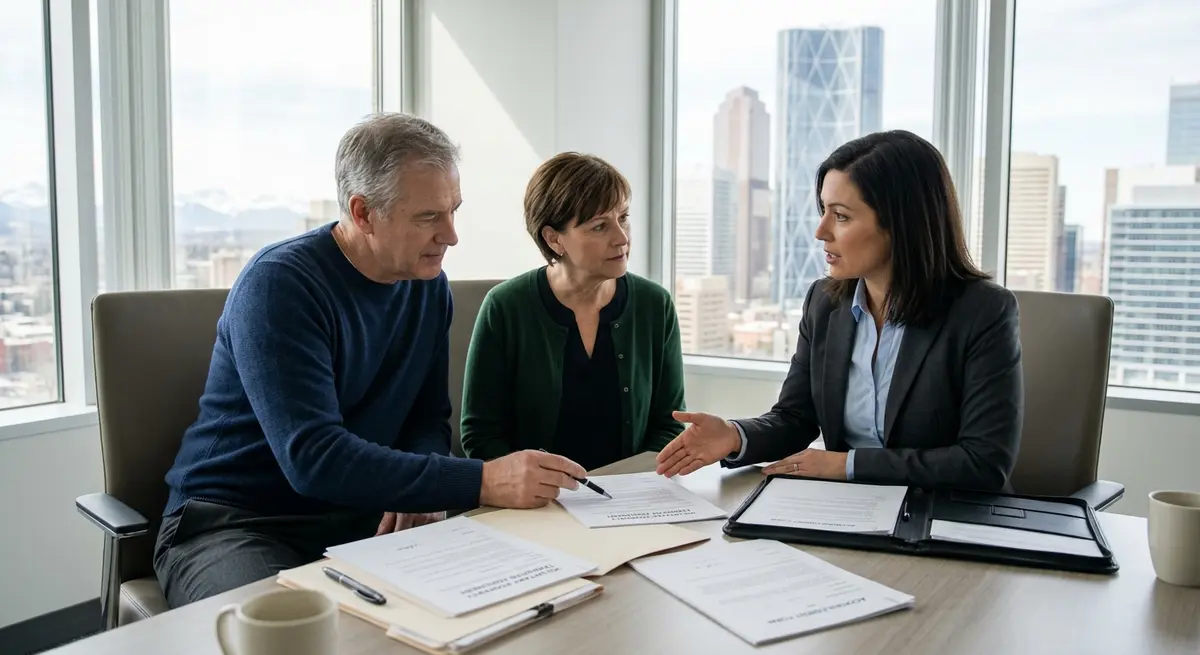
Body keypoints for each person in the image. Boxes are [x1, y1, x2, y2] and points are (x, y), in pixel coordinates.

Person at [154, 113, 588, 608]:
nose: (451, 235)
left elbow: (427, 419)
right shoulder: (280, 284)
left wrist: (417, 494)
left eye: (454, 211)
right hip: (238, 523)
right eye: (428, 217)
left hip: (360, 516)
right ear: (363, 213)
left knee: (514, 603)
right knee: (290, 640)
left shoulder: (428, 288)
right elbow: (314, 459)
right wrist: (482, 480)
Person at [656, 130, 1023, 492]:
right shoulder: (825, 302)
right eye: (823, 211)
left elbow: (984, 463)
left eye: (842, 216)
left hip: (945, 517)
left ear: (901, 224)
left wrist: (845, 465)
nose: (820, 231)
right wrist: (735, 436)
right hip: (847, 512)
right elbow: (796, 418)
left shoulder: (983, 311)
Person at [459, 152, 685, 471]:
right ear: (554, 239)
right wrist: (531, 484)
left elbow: (669, 425)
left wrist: (632, 483)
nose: (621, 238)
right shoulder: (505, 306)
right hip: (532, 503)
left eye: (623, 218)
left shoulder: (654, 304)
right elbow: (480, 435)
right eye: (599, 227)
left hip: (630, 499)